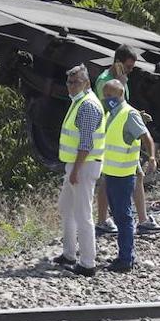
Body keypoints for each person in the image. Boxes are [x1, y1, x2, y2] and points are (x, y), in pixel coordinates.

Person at [94, 45, 160, 236]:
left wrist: (136, 116)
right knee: (108, 178)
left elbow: (122, 107)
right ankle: (103, 221)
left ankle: (141, 220)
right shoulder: (105, 82)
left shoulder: (121, 80)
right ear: (118, 63)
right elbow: (109, 110)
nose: (131, 71)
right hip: (112, 140)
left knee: (136, 176)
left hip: (124, 141)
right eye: (129, 66)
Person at [99, 77, 155, 272]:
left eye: (110, 95)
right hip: (112, 174)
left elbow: (146, 136)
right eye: (105, 95)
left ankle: (126, 259)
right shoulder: (111, 114)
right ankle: (123, 256)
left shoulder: (128, 114)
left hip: (124, 175)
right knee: (119, 215)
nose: (106, 99)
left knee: (124, 217)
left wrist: (152, 158)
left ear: (120, 94)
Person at [53, 65, 104, 276]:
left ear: (86, 83)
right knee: (66, 207)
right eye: (69, 82)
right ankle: (69, 254)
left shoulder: (88, 106)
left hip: (83, 165)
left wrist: (75, 171)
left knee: (83, 214)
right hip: (76, 165)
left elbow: (86, 144)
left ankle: (87, 263)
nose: (70, 86)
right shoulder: (79, 102)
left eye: (74, 82)